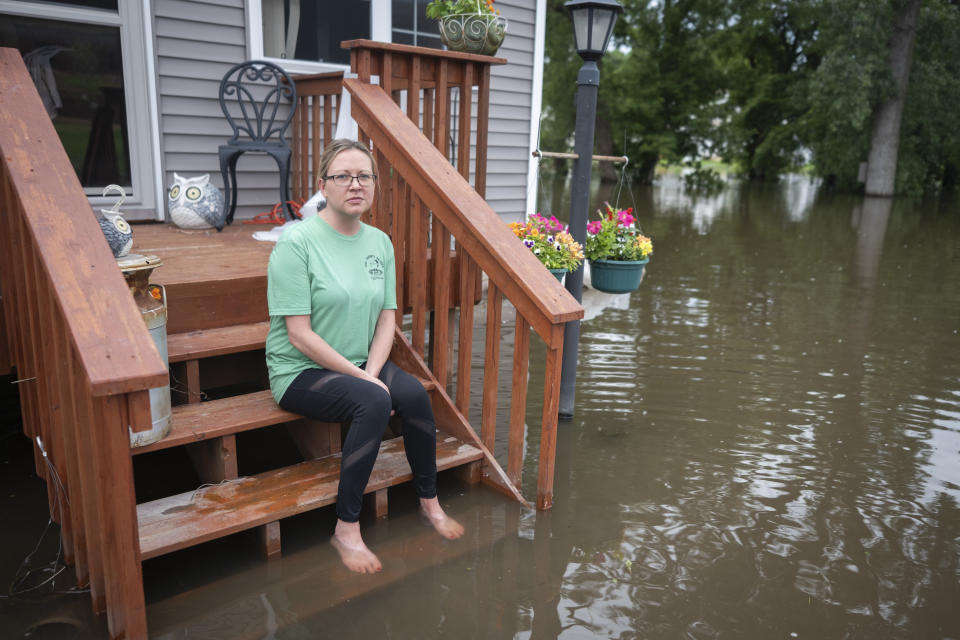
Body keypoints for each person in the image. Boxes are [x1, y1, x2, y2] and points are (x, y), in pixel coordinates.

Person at [265, 139, 463, 573]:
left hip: (359, 362)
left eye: (364, 176)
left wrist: (371, 372)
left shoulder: (380, 243)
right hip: (301, 370)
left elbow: (387, 320)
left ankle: (429, 501)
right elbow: (298, 335)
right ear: (323, 186)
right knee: (372, 401)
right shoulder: (296, 243)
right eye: (343, 176)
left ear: (374, 184)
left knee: (412, 394)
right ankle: (346, 527)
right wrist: (367, 383)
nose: (355, 185)